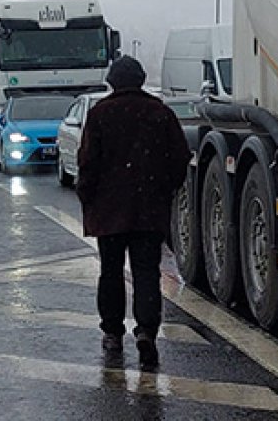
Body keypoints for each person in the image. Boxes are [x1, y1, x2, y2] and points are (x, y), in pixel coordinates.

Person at [76, 56, 191, 370]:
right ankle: (147, 333)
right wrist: (164, 189)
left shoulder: (100, 115)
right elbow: (180, 157)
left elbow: (87, 163)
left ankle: (113, 332)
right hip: (148, 210)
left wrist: (87, 196)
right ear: (141, 79)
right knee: (146, 272)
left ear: (112, 81)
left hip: (108, 211)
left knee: (110, 272)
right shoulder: (160, 113)